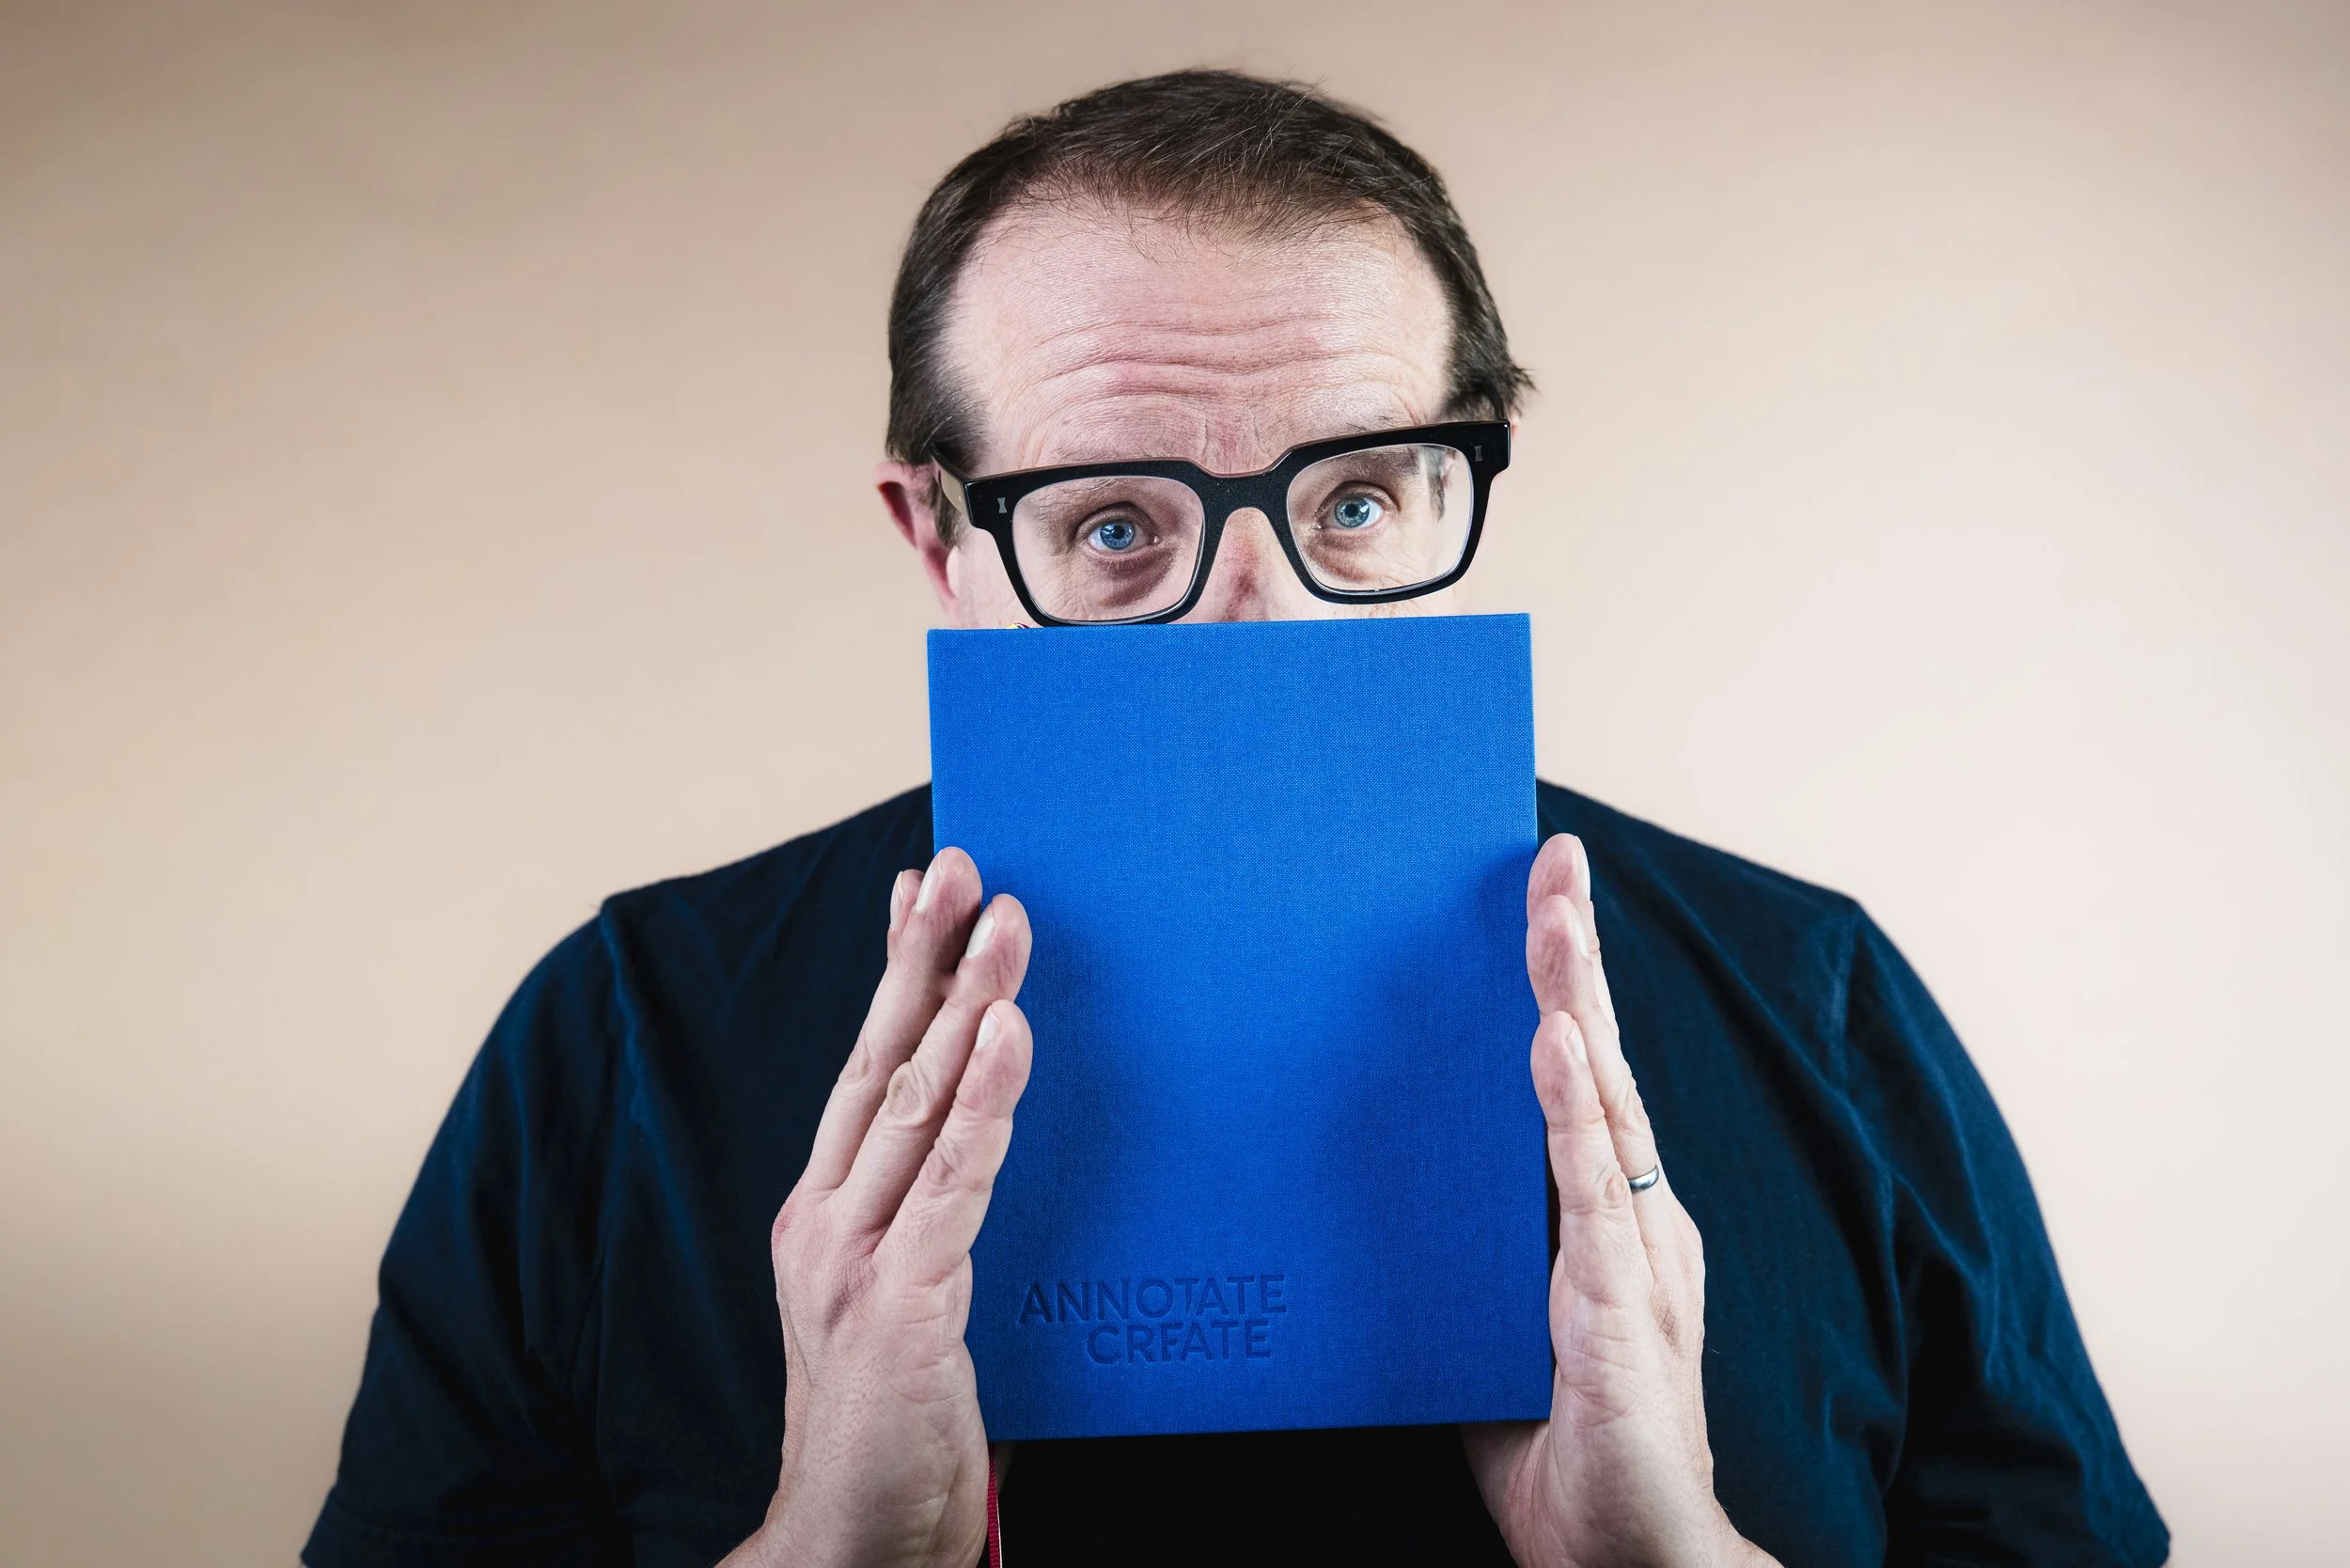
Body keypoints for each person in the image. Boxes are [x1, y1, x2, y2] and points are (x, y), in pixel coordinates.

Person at [304, 71, 2168, 1568]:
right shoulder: (625, 1038)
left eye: (1357, 497)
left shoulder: (1809, 997)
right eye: (1114, 526)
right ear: (932, 538)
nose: (1247, 612)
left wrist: (1663, 1559)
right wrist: (828, 1551)